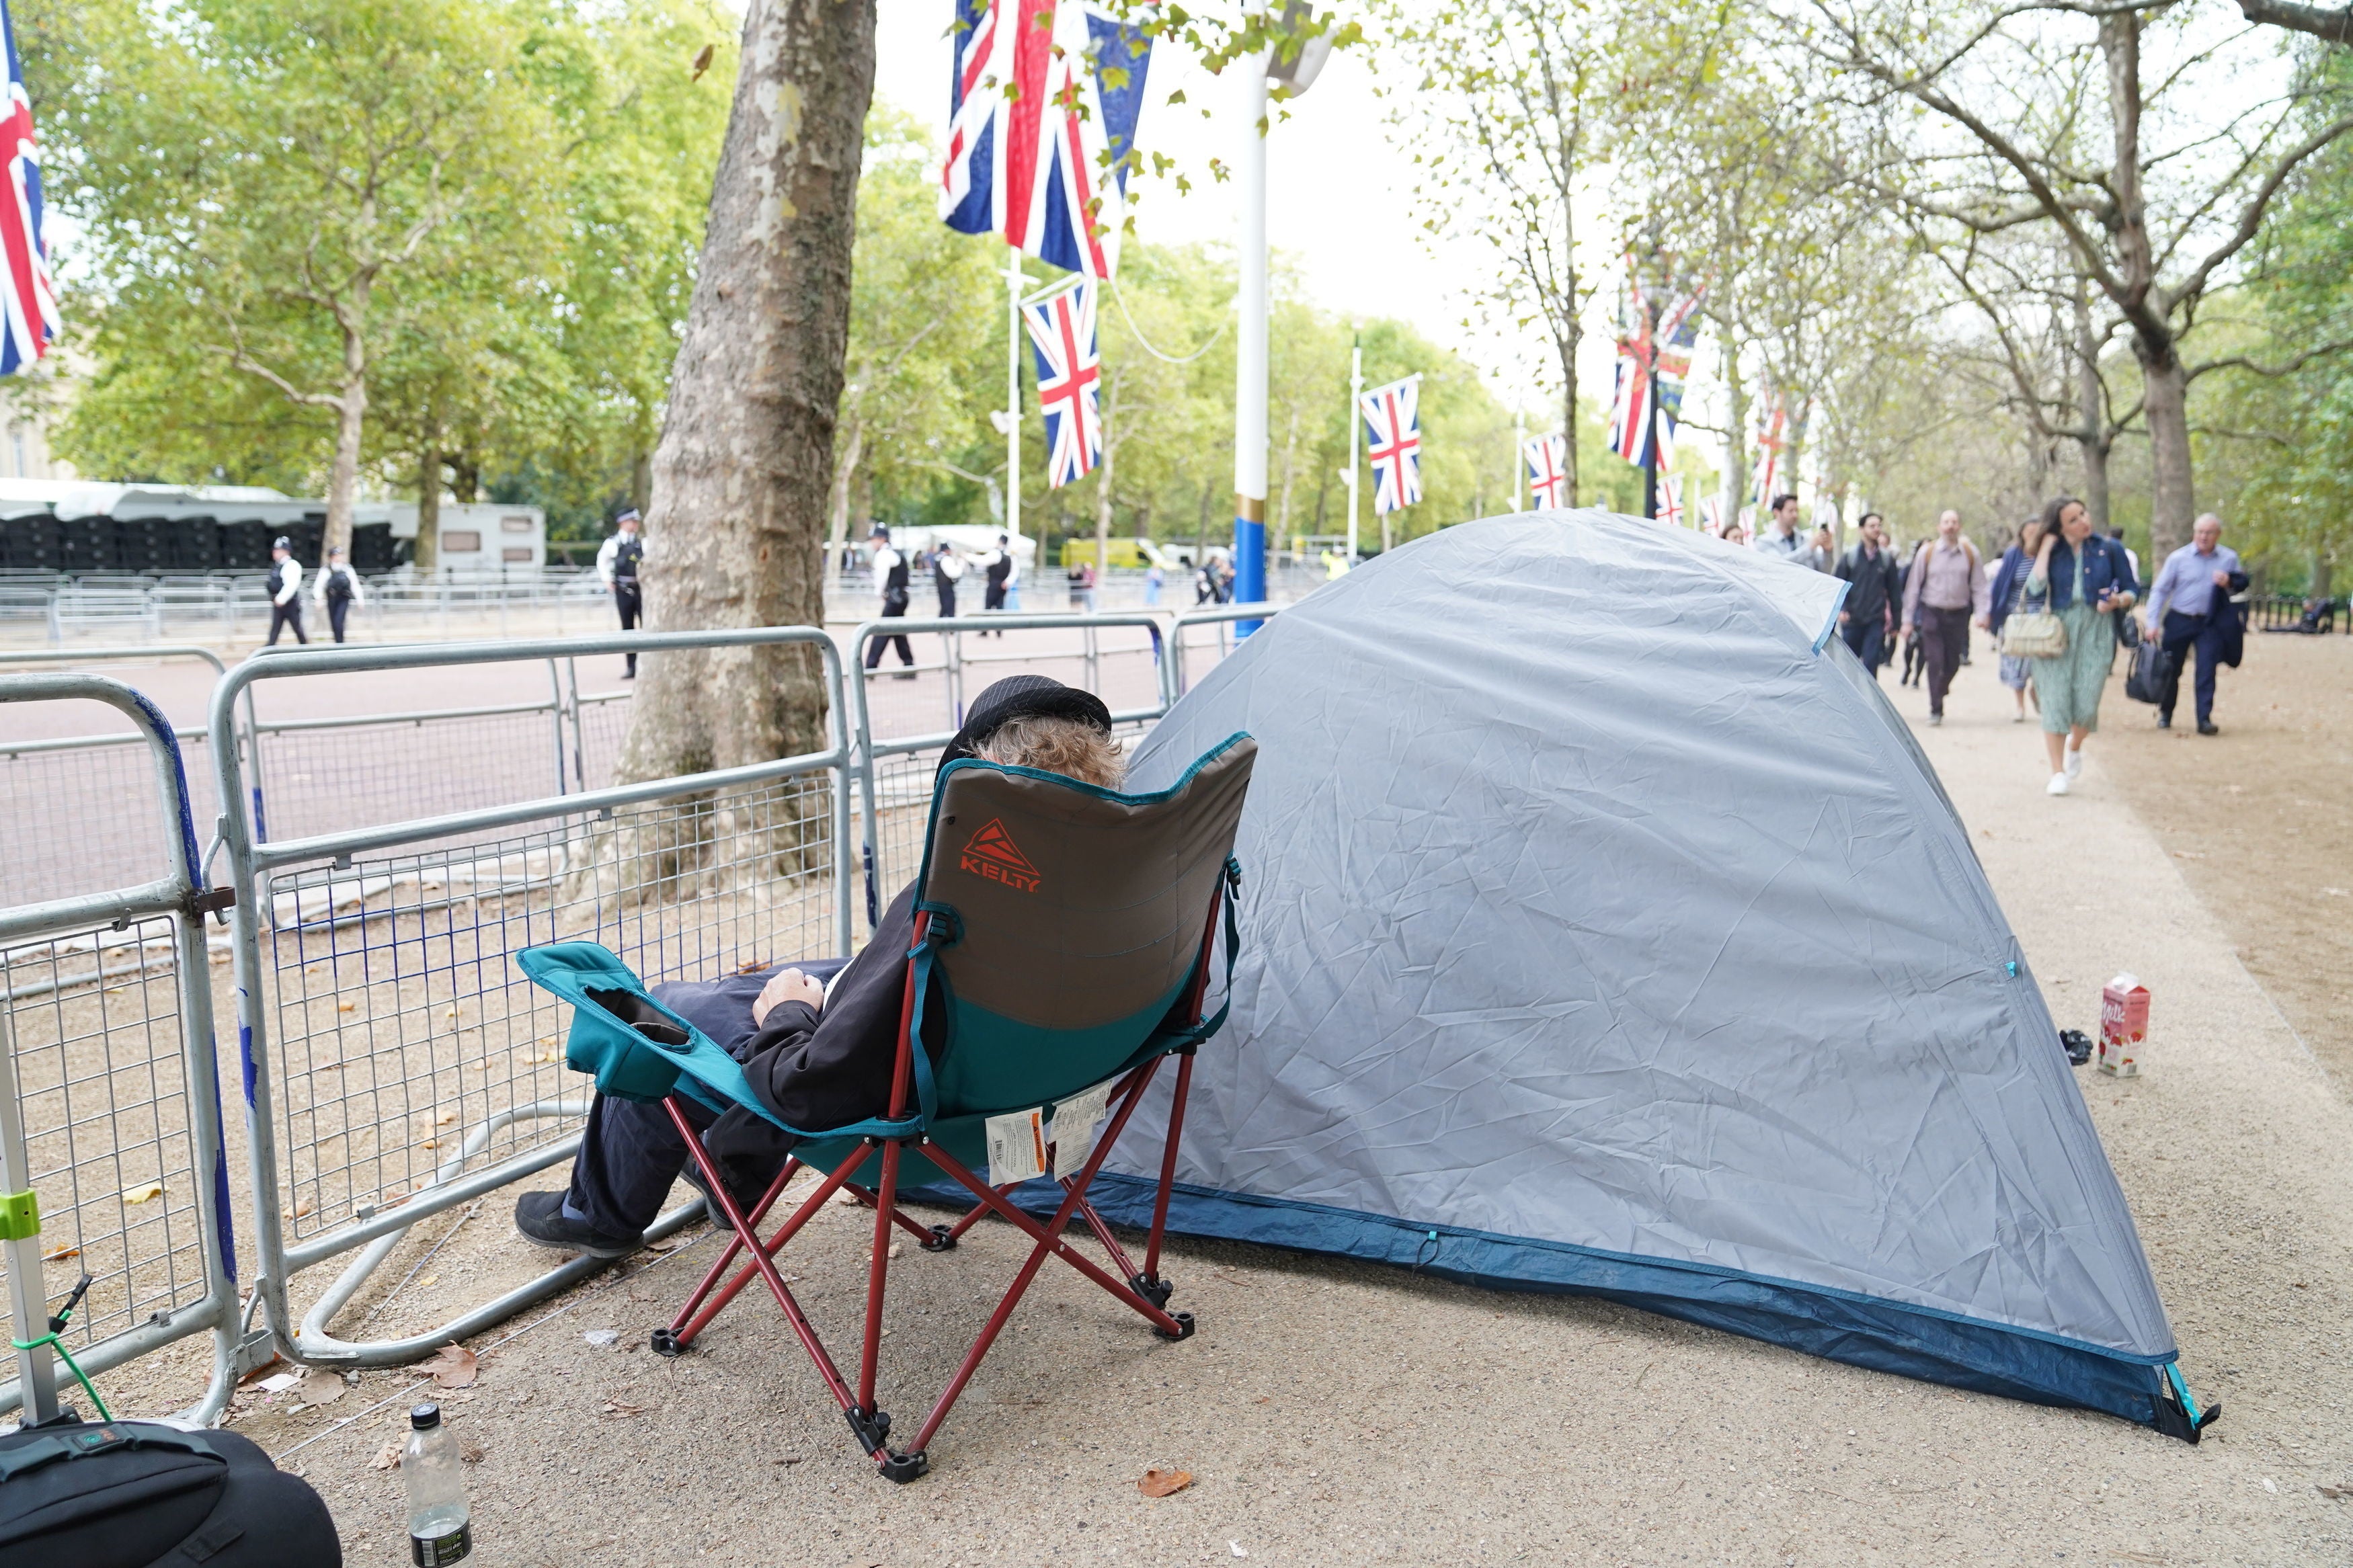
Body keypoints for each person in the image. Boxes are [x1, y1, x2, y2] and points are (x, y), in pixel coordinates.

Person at [512, 677, 1127, 1257]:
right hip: (1036, 1092)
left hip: (903, 1110)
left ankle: (600, 1211)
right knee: (759, 983)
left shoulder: (951, 900)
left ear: (983, 784)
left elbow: (804, 1089)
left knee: (669, 1012)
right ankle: (731, 1168)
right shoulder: (1128, 897)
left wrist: (787, 1011)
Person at [2024, 495, 2138, 794]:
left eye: (2083, 514)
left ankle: (2075, 745)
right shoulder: (2054, 551)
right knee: (2056, 702)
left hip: (2097, 630)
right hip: (2056, 632)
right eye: (2073, 520)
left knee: (2086, 704)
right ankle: (2057, 772)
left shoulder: (2109, 548)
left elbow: (2132, 588)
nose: (2083, 522)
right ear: (2060, 527)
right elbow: (2035, 588)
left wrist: (2119, 601)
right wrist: (2046, 547)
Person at [2143, 511, 2245, 735]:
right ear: (2194, 533)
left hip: (2210, 623)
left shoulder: (2228, 558)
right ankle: (2166, 713)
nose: (2204, 537)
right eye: (2200, 532)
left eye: (2209, 532)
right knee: (2172, 669)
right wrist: (2152, 622)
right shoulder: (2178, 558)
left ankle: (2204, 719)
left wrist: (2229, 581)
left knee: (2206, 670)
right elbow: (2160, 591)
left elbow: (2240, 585)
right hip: (2180, 619)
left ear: (2218, 534)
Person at [1899, 510, 1988, 726]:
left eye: (1954, 522)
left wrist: (1983, 614)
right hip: (1932, 613)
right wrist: (1907, 620)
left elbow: (1979, 586)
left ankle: (1941, 687)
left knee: (1953, 663)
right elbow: (1913, 588)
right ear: (1939, 527)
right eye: (1946, 522)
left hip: (1958, 615)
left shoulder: (1970, 553)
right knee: (1934, 660)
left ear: (1959, 527)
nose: (1950, 526)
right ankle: (1936, 708)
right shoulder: (1926, 553)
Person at [1984, 516, 2048, 723]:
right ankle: (2020, 706)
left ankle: (2037, 692)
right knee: (2016, 663)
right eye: (2028, 532)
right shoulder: (2014, 554)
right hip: (2015, 617)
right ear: (2021, 534)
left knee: (2040, 662)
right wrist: (1993, 614)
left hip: (2042, 617)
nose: (2032, 536)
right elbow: (2000, 585)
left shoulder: (2048, 555)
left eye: (2036, 532)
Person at [1833, 513, 1901, 676]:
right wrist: (1842, 609)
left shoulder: (1886, 560)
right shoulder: (1850, 558)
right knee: (1849, 665)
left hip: (1875, 621)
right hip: (1852, 621)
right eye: (1872, 526)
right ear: (1862, 530)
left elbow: (1894, 591)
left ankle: (1868, 701)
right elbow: (1838, 585)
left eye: (1879, 526)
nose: (1876, 529)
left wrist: (1896, 623)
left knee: (1871, 665)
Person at [595, 508, 645, 679]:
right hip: (623, 590)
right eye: (633, 521)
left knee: (647, 627)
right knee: (627, 628)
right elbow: (602, 561)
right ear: (623, 523)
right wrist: (607, 579)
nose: (636, 524)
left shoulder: (643, 542)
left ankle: (646, 664)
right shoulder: (613, 543)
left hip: (641, 589)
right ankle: (631, 666)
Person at [865, 524, 914, 674]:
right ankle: (909, 666)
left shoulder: (884, 554)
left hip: (894, 598)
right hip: (901, 597)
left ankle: (870, 667)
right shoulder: (894, 553)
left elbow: (881, 576)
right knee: (899, 633)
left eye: (874, 539)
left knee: (882, 632)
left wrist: (879, 593)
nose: (872, 543)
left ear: (882, 539)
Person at [311, 546, 366, 645]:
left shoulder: (347, 569)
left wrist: (360, 599)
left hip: (343, 598)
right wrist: (318, 599)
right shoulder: (326, 570)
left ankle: (340, 643)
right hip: (332, 598)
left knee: (339, 621)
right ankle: (337, 642)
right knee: (333, 622)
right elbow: (319, 585)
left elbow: (355, 585)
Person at [266, 537, 307, 646]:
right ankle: (269, 648)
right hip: (278, 603)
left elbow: (291, 585)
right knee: (275, 629)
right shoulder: (277, 566)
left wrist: (281, 599)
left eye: (278, 550)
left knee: (297, 628)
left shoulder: (292, 565)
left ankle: (306, 648)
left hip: (290, 603)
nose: (275, 553)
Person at [1752, 495, 1808, 563]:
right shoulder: (1764, 541)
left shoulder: (1805, 539)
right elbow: (1780, 564)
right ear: (1777, 513)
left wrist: (1825, 550)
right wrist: (1809, 548)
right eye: (1790, 511)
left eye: (1796, 511)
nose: (1795, 515)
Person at [931, 541, 963, 619]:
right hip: (947, 587)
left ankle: (940, 627)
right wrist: (960, 567)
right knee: (949, 608)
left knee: (944, 607)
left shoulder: (938, 558)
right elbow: (953, 573)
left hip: (941, 587)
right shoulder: (946, 559)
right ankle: (951, 628)